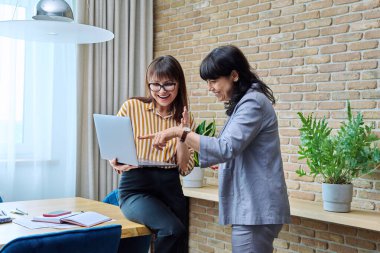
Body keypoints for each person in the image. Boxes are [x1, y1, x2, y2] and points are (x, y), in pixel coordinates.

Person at [140, 45, 291, 253]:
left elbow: (224, 148)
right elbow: (223, 150)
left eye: (213, 81)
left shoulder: (252, 104)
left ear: (234, 75)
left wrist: (180, 133)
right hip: (252, 208)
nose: (209, 88)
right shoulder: (243, 104)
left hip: (256, 206)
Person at [109, 55, 195, 253]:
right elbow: (113, 147)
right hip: (136, 187)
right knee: (171, 230)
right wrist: (114, 160)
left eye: (168, 85)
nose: (161, 91)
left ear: (179, 84)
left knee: (179, 240)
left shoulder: (185, 118)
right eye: (155, 85)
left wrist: (182, 133)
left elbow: (184, 168)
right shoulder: (132, 107)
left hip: (170, 186)